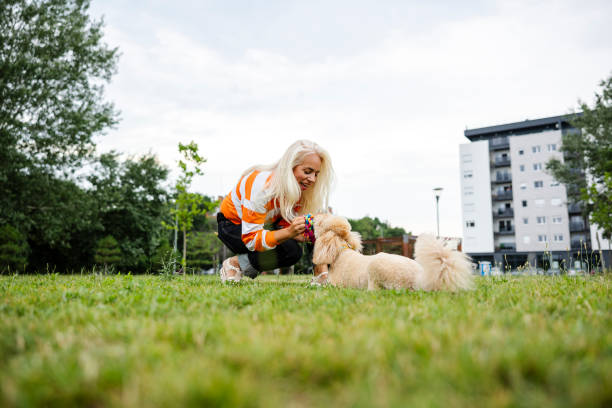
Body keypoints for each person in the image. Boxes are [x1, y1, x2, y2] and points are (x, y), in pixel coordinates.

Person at [216, 140, 334, 283]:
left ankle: (322, 276)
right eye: (307, 172)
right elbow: (251, 239)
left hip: (267, 226)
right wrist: (290, 232)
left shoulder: (300, 191)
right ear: (290, 167)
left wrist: (304, 233)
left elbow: (284, 224)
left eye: (316, 174)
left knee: (308, 234)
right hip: (233, 227)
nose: (312, 179)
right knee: (288, 249)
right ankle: (235, 264)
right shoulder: (261, 186)